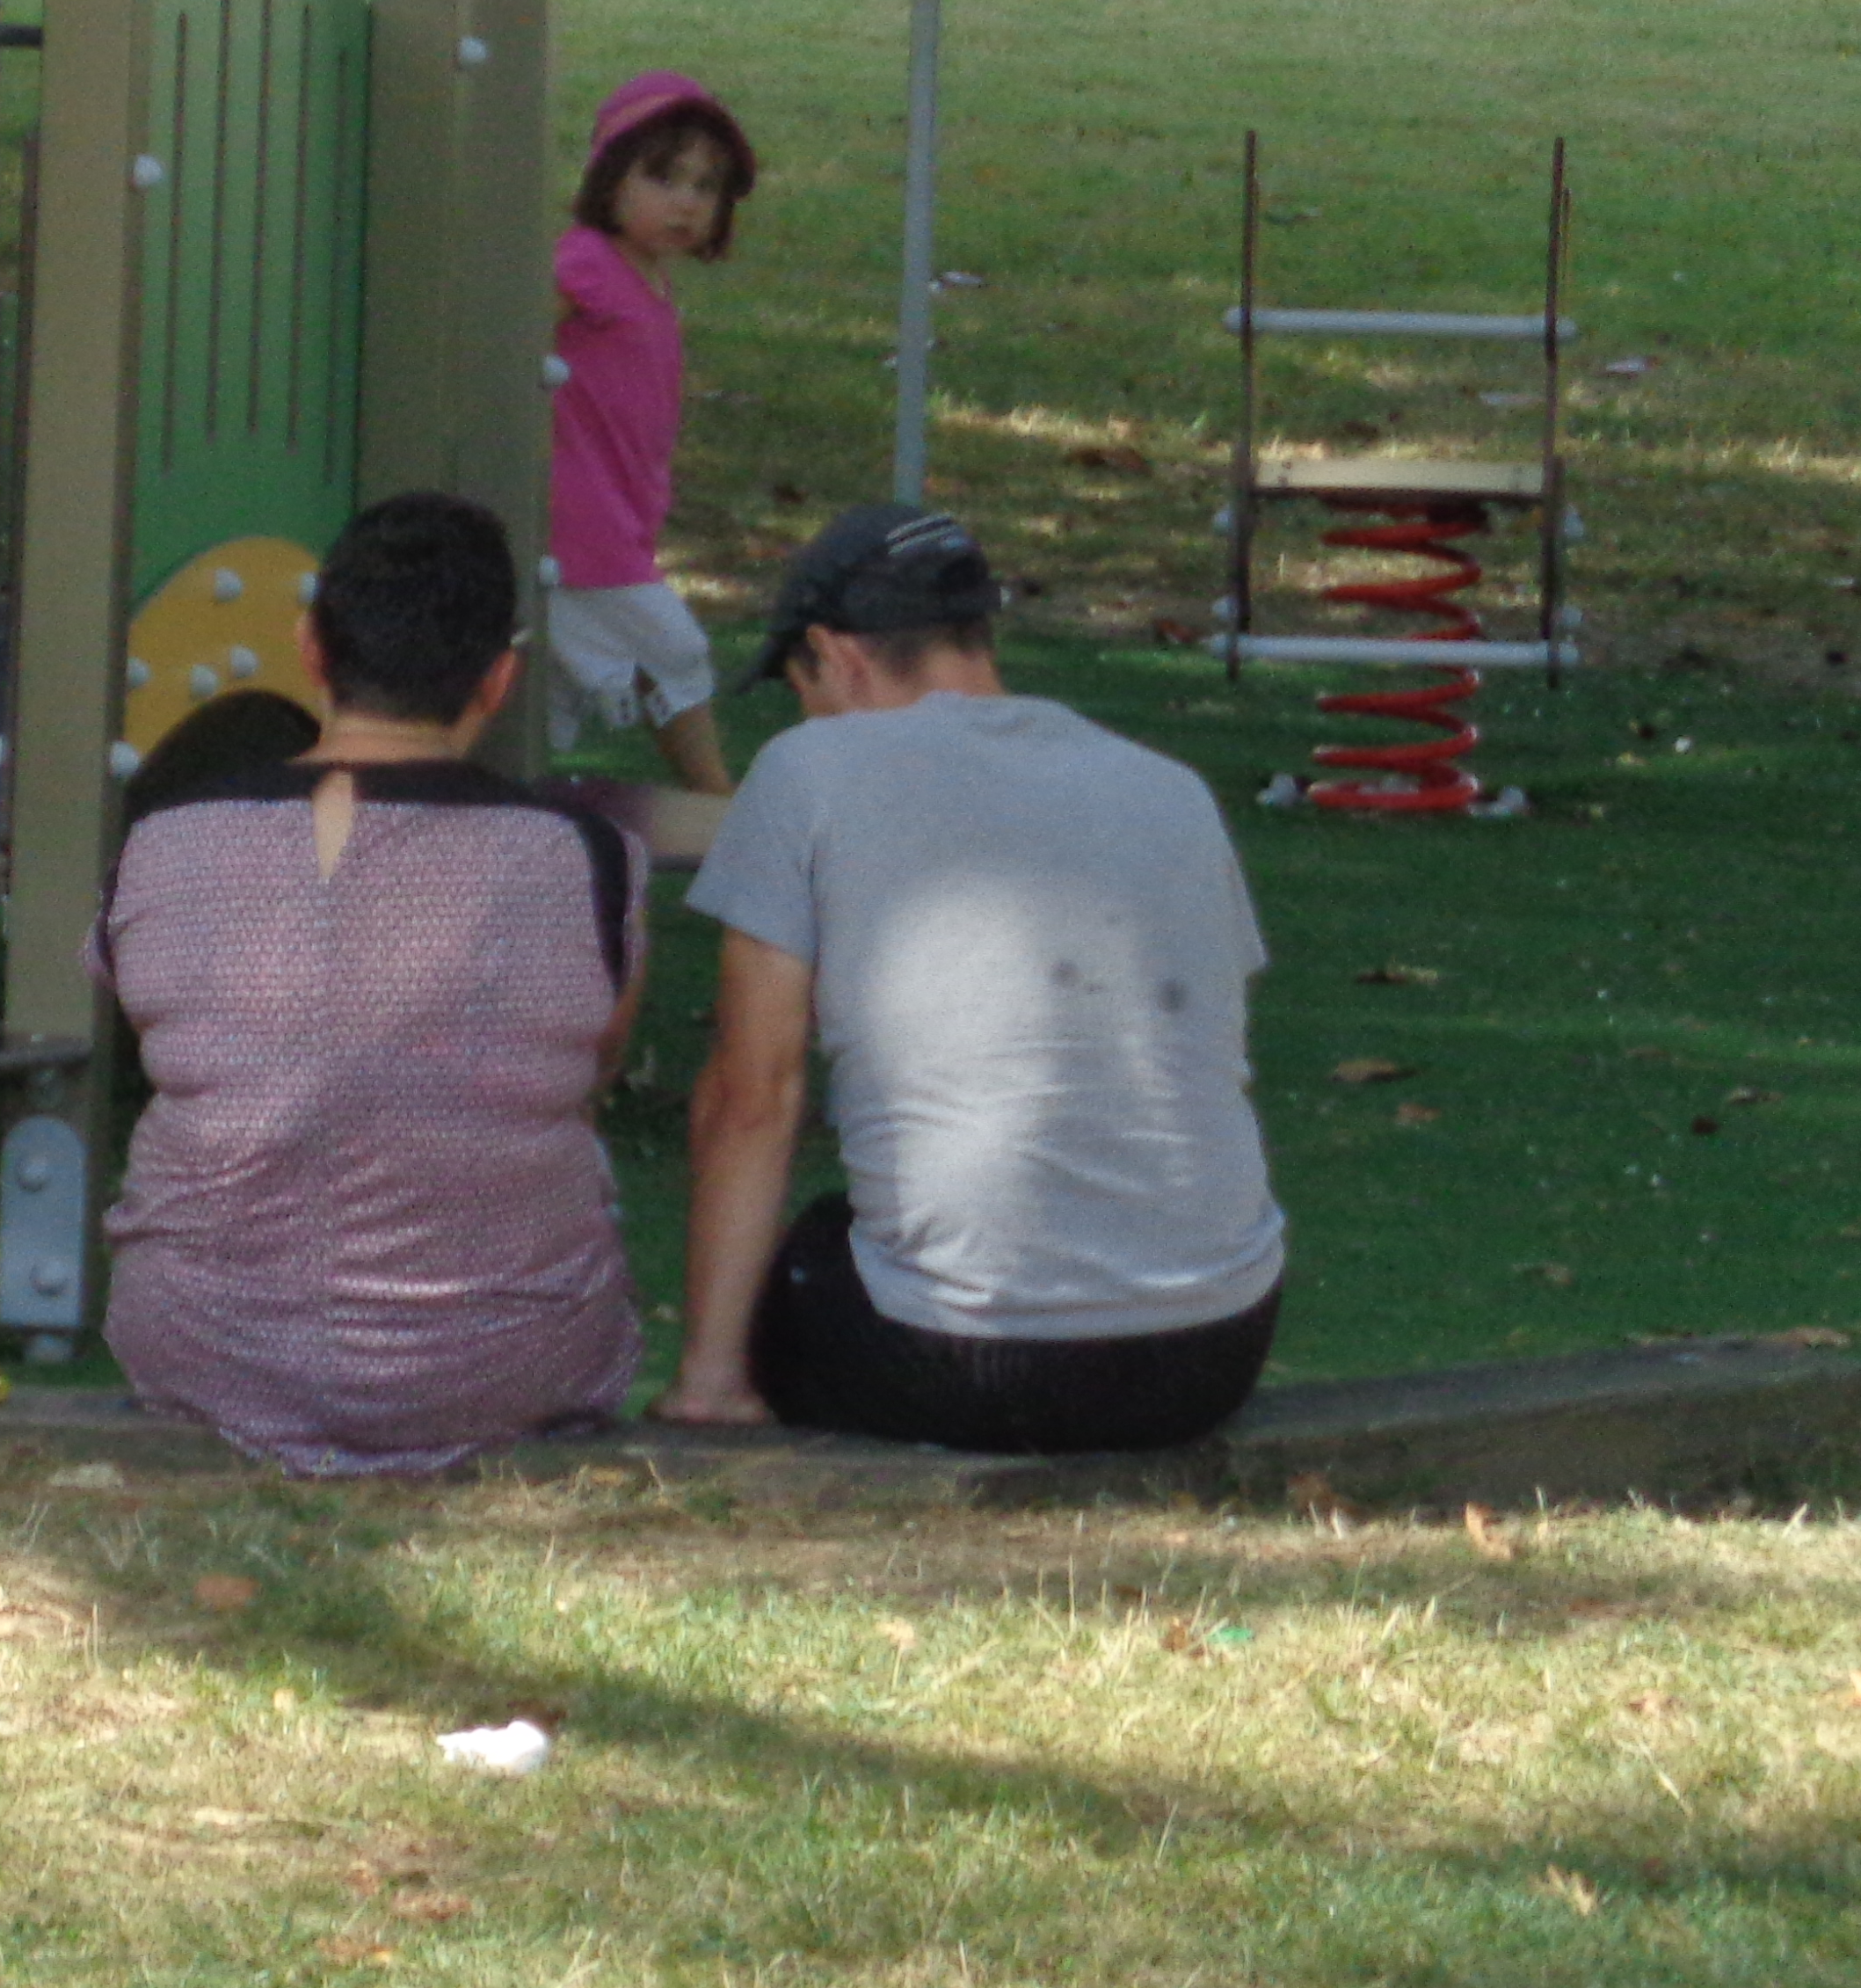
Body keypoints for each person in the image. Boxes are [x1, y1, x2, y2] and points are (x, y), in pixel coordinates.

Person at [657, 504, 1286, 1453]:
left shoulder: (808, 771)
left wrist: (709, 1379)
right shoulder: (1167, 786)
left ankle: (710, 1385)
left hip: (961, 1366)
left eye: (801, 688)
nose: (806, 718)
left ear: (836, 653)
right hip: (1214, 1350)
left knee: (817, 1255)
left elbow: (753, 1095)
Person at [91, 491, 651, 1476]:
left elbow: (141, 1007)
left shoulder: (161, 845)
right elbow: (591, 1068)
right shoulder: (589, 863)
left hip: (206, 1354)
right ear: (499, 679)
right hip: (506, 1366)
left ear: (310, 649)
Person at [547, 71, 759, 798]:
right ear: (610, 176)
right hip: (578, 520)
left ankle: (497, 809)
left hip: (618, 514)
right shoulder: (585, 263)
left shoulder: (646, 279)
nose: (687, 201)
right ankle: (718, 807)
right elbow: (513, 323)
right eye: (664, 178)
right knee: (671, 652)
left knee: (549, 689)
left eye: (707, 187)